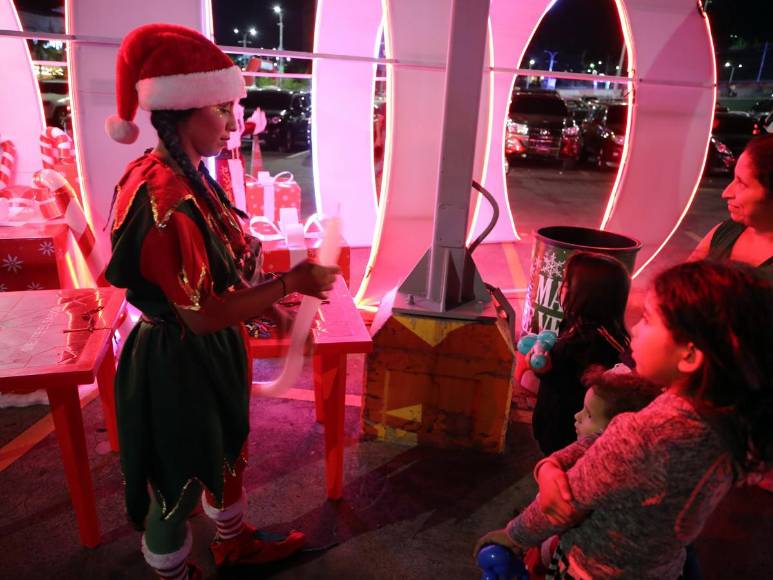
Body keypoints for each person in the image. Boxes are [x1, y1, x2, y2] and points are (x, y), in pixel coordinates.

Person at [103, 24, 338, 579]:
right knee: (179, 483)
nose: (235, 122)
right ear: (181, 109)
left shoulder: (184, 176)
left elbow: (217, 281)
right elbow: (201, 314)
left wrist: (264, 303)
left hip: (205, 351)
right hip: (178, 361)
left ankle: (232, 541)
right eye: (223, 109)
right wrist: (290, 284)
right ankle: (172, 572)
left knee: (227, 450)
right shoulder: (167, 202)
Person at [476, 260, 773, 579]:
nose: (635, 330)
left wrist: (513, 536)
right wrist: (550, 465)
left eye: (647, 319)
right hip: (663, 568)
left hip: (592, 569)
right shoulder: (728, 418)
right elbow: (608, 448)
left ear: (689, 356)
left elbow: (562, 505)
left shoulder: (645, 434)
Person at [524, 365, 661, 578]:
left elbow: (554, 514)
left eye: (588, 415)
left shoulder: (603, 464)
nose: (577, 416)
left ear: (616, 428)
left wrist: (514, 537)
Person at [531, 252, 632, 455]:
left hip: (568, 432)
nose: (561, 289)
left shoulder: (595, 341)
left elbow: (565, 382)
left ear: (588, 294)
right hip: (556, 422)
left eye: (567, 284)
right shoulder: (579, 324)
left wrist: (539, 365)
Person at [690, 134, 773, 275]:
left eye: (742, 183)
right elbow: (678, 288)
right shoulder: (725, 232)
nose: (726, 193)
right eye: (734, 178)